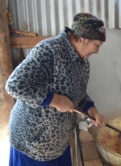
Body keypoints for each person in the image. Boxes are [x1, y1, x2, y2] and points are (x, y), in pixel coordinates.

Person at [5, 13, 106, 166]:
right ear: (83, 39)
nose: (97, 51)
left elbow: (79, 93)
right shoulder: (50, 50)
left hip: (59, 144)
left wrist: (91, 110)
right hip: (33, 143)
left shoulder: (83, 62)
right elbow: (15, 85)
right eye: (96, 45)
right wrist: (55, 100)